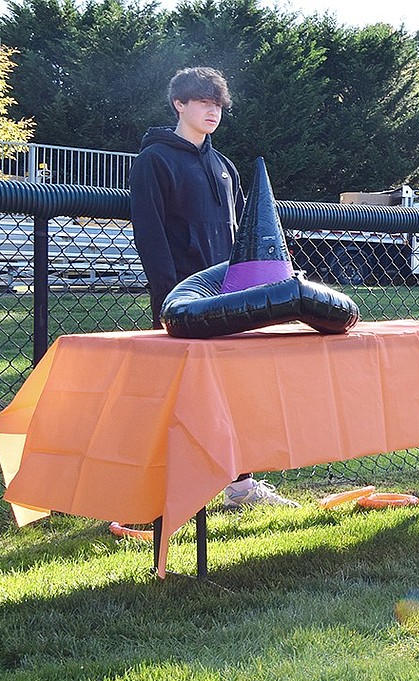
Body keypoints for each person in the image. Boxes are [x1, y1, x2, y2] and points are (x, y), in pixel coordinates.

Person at [129, 66, 298, 509]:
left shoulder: (224, 167)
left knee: (236, 393)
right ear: (178, 105)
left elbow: (245, 239)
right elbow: (150, 235)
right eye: (202, 102)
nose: (212, 110)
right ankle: (163, 492)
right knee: (180, 397)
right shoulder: (154, 160)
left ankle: (240, 487)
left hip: (232, 301)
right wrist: (169, 299)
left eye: (218, 104)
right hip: (182, 305)